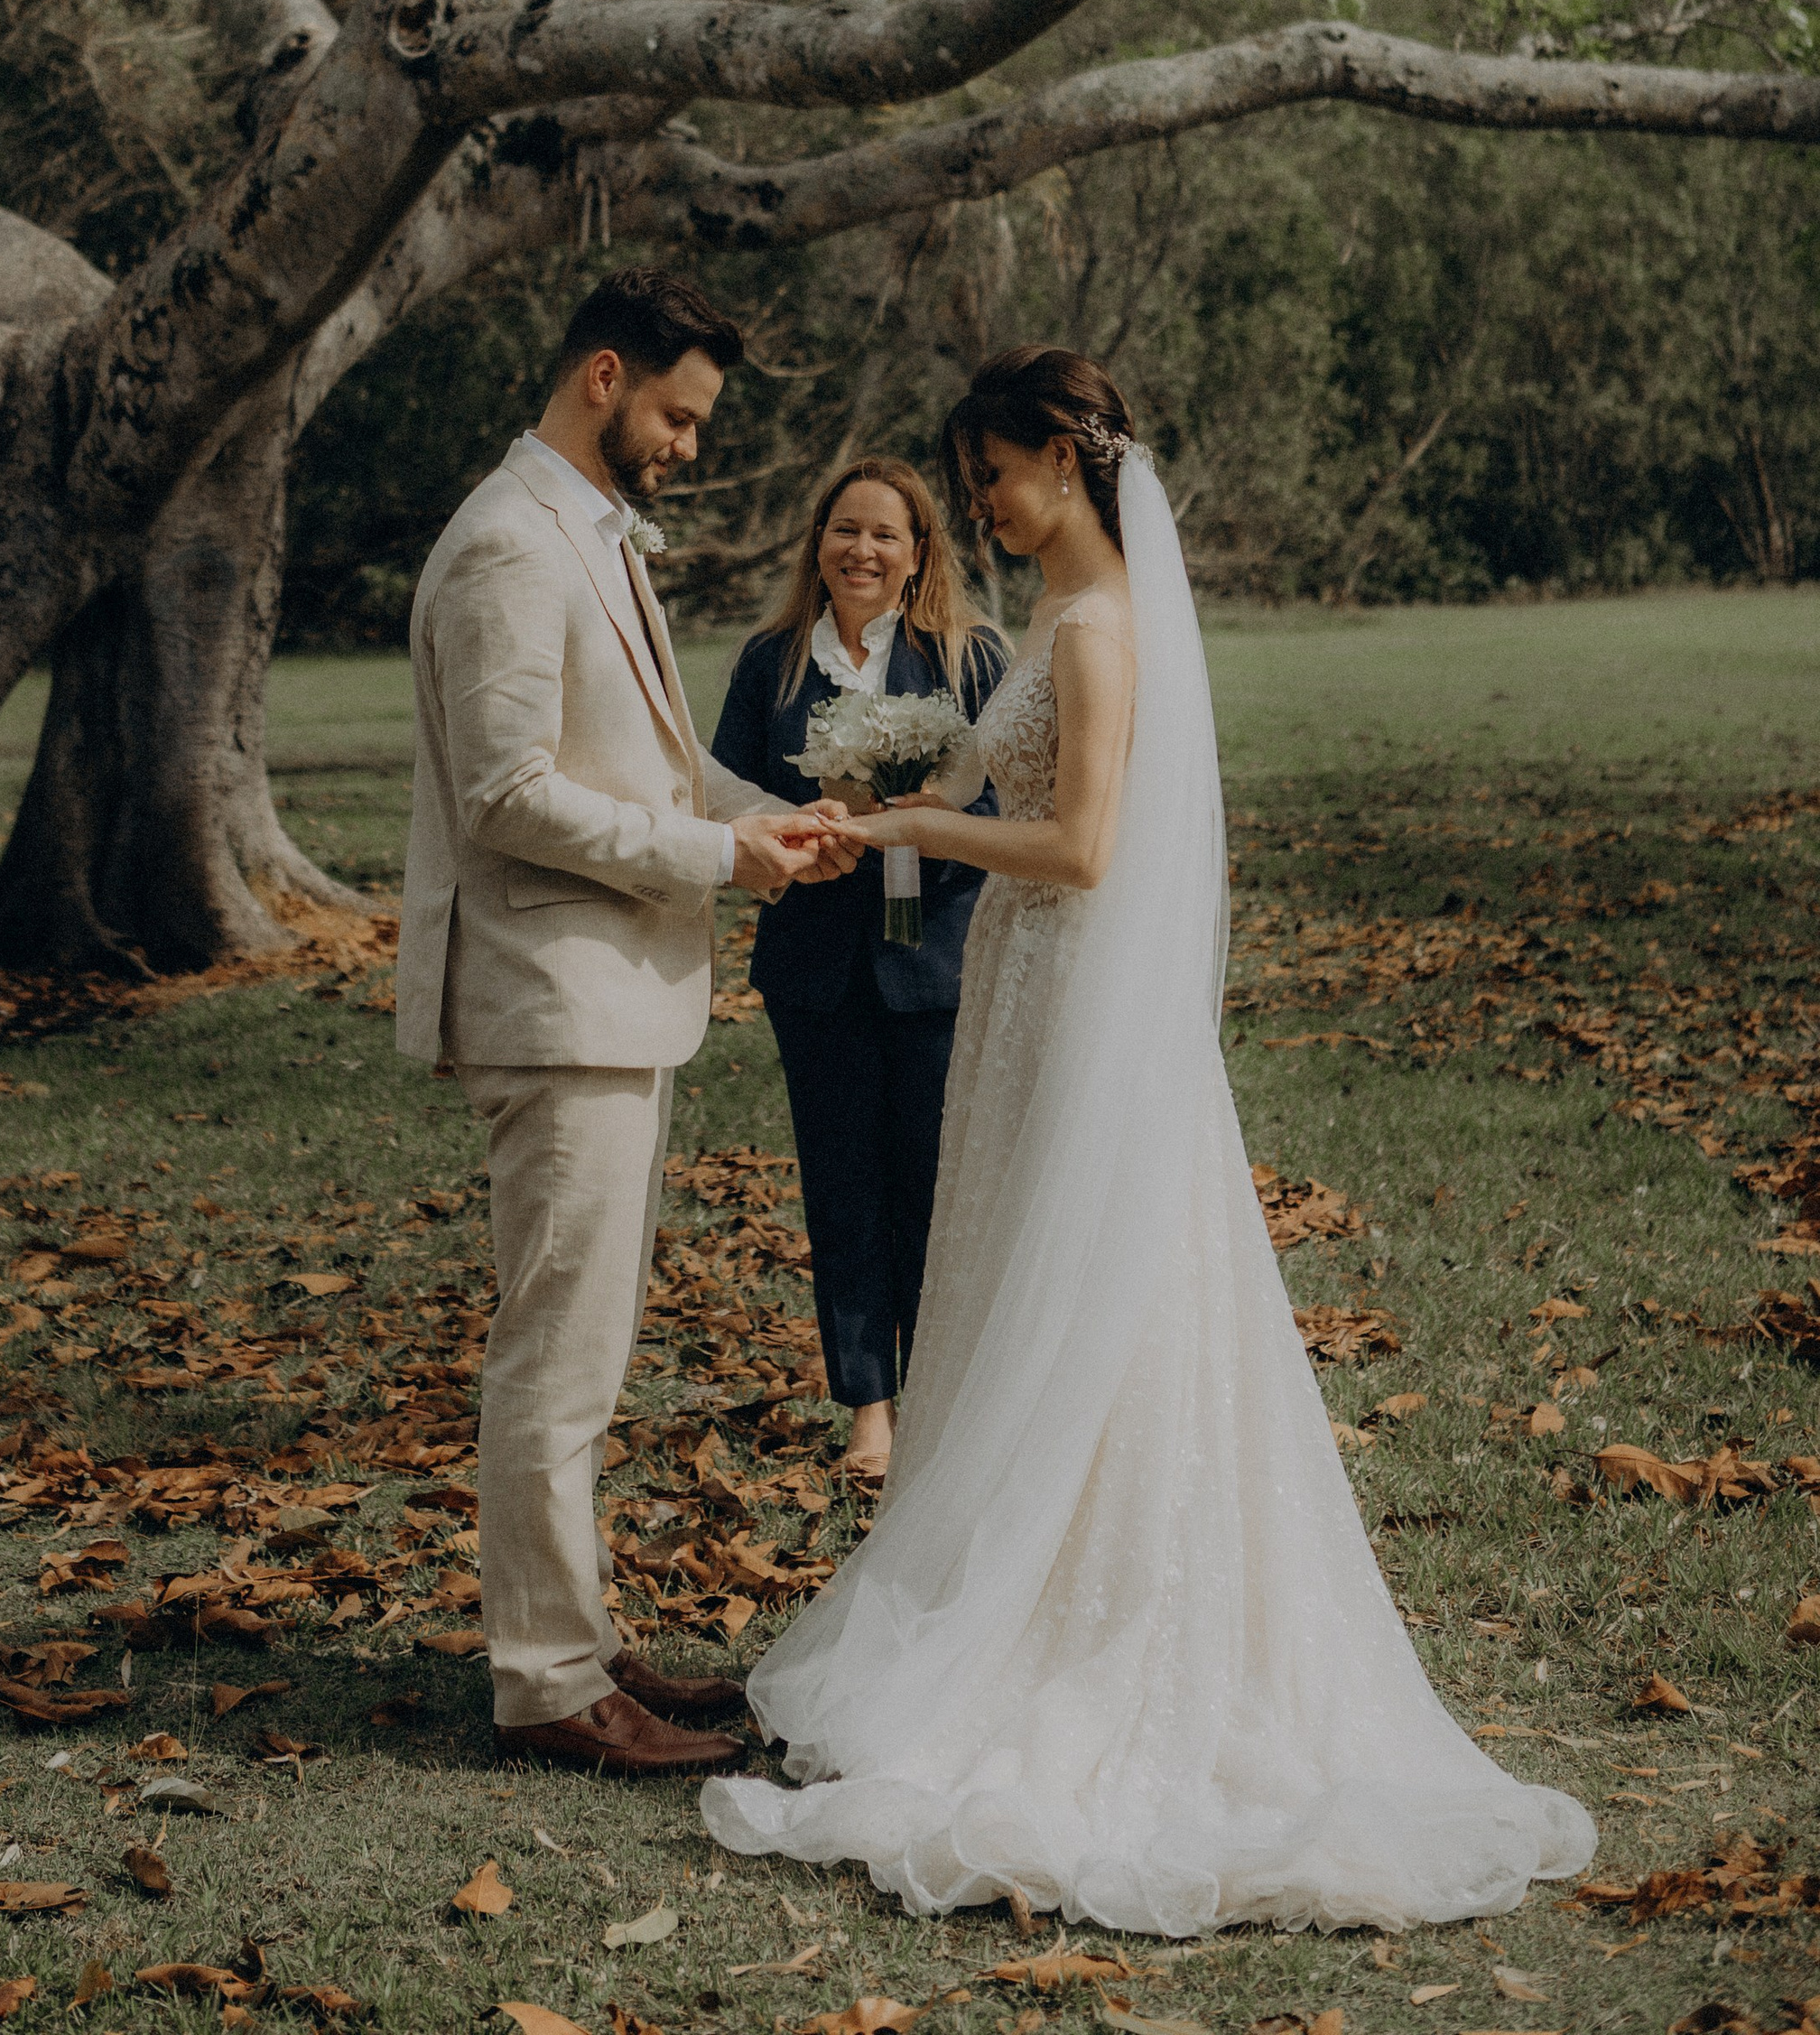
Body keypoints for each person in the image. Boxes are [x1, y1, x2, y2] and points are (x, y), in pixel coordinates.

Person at [701, 346, 1597, 1934]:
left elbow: (1082, 845)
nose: (976, 504)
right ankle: (1015, 1569)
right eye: (968, 483)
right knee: (1010, 1275)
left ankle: (1098, 1608)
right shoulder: (1049, 619)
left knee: (1104, 1283)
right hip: (1021, 1000)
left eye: (990, 477)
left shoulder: (1104, 632)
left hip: (1074, 992)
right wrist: (854, 787)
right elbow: (978, 758)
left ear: (1066, 456)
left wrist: (906, 829)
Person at [398, 266, 859, 1782]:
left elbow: (650, 768)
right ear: (604, 376)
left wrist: (780, 822)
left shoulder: (585, 534)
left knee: (588, 1350)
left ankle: (579, 1640)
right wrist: (719, 859)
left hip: (610, 1005)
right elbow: (508, 796)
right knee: (557, 1354)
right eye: (679, 411)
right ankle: (545, 1683)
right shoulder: (507, 548)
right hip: (550, 1005)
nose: (690, 442)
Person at [712, 458, 1008, 1482]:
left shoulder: (969, 659)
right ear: (817, 544)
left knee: (932, 1185)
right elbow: (730, 792)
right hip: (816, 965)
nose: (862, 551)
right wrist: (802, 832)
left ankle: (939, 1393)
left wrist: (916, 825)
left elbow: (1008, 804)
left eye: (885, 534)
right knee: (839, 1185)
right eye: (845, 530)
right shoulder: (770, 663)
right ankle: (867, 1408)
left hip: (933, 961)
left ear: (919, 552)